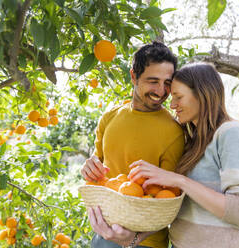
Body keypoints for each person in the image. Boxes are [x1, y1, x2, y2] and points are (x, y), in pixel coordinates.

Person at [129, 63, 239, 248]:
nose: (173, 105)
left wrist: (180, 181)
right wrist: (134, 237)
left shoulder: (232, 134)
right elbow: (186, 207)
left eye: (178, 97)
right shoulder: (194, 139)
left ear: (202, 94)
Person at [81, 41, 185, 248]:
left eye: (167, 83)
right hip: (103, 233)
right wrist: (89, 168)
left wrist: (132, 239)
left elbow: (168, 199)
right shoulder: (109, 117)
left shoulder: (174, 131)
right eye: (153, 81)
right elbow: (98, 169)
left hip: (146, 242)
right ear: (133, 77)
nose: (161, 91)